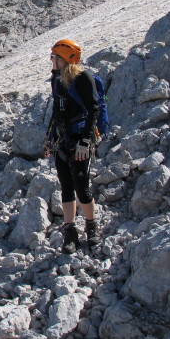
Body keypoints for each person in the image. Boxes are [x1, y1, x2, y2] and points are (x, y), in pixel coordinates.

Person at [44, 39, 101, 253]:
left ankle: (91, 226)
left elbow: (93, 109)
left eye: (54, 57)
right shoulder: (57, 79)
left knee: (81, 187)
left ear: (64, 59)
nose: (51, 60)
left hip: (79, 140)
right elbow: (57, 111)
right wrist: (50, 137)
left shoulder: (82, 78)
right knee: (66, 186)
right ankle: (70, 232)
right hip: (62, 139)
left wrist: (85, 141)